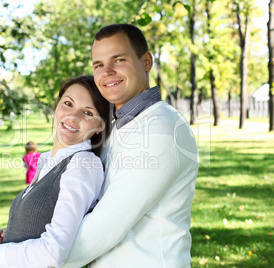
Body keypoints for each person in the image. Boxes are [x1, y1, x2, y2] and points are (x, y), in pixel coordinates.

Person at [57, 24, 199, 268]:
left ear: (146, 62)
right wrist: (18, 237)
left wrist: (22, 258)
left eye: (119, 59)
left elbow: (104, 228)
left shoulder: (162, 129)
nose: (107, 72)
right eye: (98, 64)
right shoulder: (118, 127)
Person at [0, 75, 111, 268]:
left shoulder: (83, 164)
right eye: (68, 103)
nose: (73, 116)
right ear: (56, 106)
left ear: (100, 126)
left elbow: (53, 253)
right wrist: (11, 233)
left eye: (88, 113)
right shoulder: (48, 160)